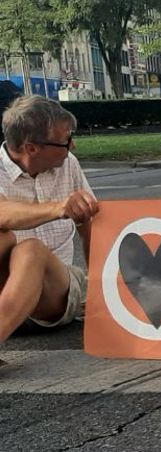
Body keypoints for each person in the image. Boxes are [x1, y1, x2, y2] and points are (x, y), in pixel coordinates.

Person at [0, 95, 99, 364]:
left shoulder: (69, 165)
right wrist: (57, 208)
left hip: (54, 290)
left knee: (31, 251)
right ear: (31, 148)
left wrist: (101, 288)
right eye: (65, 140)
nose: (72, 145)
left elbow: (89, 225)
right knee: (4, 236)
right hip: (5, 284)